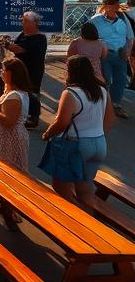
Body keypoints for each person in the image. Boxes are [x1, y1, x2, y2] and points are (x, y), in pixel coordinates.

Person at [42, 55, 114, 208]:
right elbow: (110, 118)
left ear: (71, 71)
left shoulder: (70, 93)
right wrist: (97, 134)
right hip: (99, 144)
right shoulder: (102, 90)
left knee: (61, 186)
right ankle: (90, 225)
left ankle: (72, 224)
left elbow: (62, 122)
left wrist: (48, 133)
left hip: (76, 145)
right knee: (85, 190)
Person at [0, 57, 33, 226]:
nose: (0, 73)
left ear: (12, 74)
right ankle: (4, 204)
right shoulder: (12, 92)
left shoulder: (14, 95)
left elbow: (8, 121)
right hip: (5, 138)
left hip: (11, 139)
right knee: (2, 173)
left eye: (3, 70)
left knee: (11, 174)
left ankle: (12, 211)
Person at [90, 0, 133, 118]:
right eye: (114, 5)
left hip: (120, 55)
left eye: (118, 5)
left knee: (120, 81)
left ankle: (115, 105)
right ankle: (101, 106)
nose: (117, 8)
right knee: (106, 80)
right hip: (104, 55)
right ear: (106, 6)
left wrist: (127, 51)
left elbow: (130, 38)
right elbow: (87, 36)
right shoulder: (95, 20)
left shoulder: (123, 19)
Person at [5, 11, 48, 129]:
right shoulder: (22, 34)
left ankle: (34, 118)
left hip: (34, 70)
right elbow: (15, 45)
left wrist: (5, 44)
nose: (22, 23)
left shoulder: (40, 38)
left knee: (33, 93)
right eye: (23, 21)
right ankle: (22, 114)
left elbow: (19, 49)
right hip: (21, 69)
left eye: (25, 21)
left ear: (34, 23)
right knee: (21, 92)